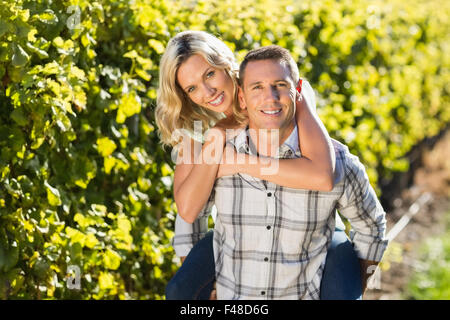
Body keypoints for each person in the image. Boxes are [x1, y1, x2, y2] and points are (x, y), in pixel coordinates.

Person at [156, 31, 364, 299]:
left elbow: (322, 175)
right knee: (180, 291)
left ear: (224, 62)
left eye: (209, 74)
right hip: (239, 234)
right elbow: (188, 212)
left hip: (306, 229)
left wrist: (238, 163)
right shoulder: (197, 130)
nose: (207, 92)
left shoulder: (272, 90)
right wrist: (216, 136)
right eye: (192, 88)